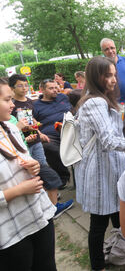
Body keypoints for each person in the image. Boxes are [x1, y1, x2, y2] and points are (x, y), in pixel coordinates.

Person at [74, 56, 125, 271]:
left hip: (109, 169)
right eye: (108, 75)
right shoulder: (95, 102)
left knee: (117, 216)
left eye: (114, 74)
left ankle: (121, 252)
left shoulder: (98, 99)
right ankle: (98, 265)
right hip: (101, 172)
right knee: (99, 223)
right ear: (96, 77)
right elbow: (108, 140)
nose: (114, 79)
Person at [0, 77, 57, 270]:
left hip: (40, 216)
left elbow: (22, 161)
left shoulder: (11, 129)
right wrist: (19, 190)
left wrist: (32, 165)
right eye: (7, 100)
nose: (12, 104)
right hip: (11, 232)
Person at [9, 74, 74, 218]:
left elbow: (32, 121)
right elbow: (14, 127)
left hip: (36, 140)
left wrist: (37, 130)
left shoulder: (29, 103)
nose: (25, 88)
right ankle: (51, 201)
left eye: (26, 85)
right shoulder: (14, 106)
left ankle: (50, 196)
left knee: (43, 167)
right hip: (26, 144)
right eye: (20, 85)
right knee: (40, 171)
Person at [33, 79, 72, 186]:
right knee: (47, 147)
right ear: (42, 90)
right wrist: (40, 134)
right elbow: (33, 123)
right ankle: (63, 176)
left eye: (56, 87)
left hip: (70, 130)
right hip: (51, 135)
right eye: (51, 88)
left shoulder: (63, 97)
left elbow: (73, 110)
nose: (55, 90)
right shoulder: (36, 105)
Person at [100, 38, 125, 103]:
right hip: (112, 103)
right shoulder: (101, 65)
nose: (110, 51)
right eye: (107, 49)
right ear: (102, 51)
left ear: (115, 48)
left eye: (112, 48)